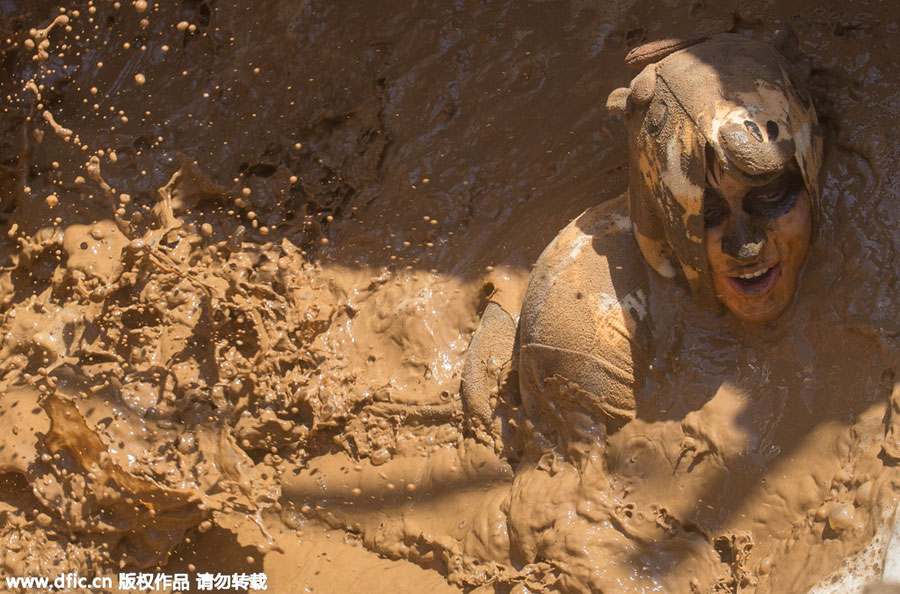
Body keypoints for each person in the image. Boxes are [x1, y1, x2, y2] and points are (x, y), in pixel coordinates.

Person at [461, 33, 824, 448]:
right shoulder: (591, 331)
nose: (745, 246)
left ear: (811, 169)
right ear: (665, 218)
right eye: (707, 215)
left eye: (771, 197)